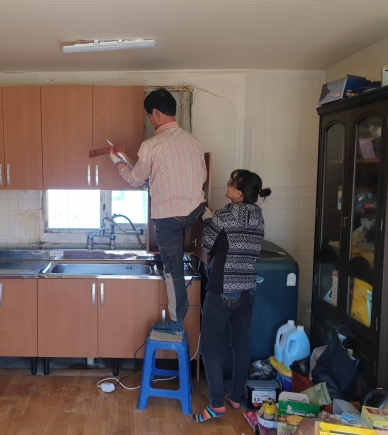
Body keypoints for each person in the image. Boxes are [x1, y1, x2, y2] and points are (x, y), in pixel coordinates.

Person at [109, 88, 207, 330]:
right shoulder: (195, 142)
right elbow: (202, 176)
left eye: (149, 116)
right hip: (195, 213)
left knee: (173, 271)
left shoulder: (151, 145)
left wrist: (118, 162)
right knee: (195, 240)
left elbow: (135, 179)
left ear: (155, 113)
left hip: (168, 219)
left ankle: (177, 321)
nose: (150, 121)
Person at [193, 169, 271, 423]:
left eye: (231, 184)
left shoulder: (225, 215)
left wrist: (208, 219)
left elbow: (207, 245)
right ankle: (236, 397)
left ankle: (216, 404)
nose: (228, 186)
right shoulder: (258, 216)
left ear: (238, 193)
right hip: (247, 290)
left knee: (209, 347)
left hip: (223, 289)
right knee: (241, 346)